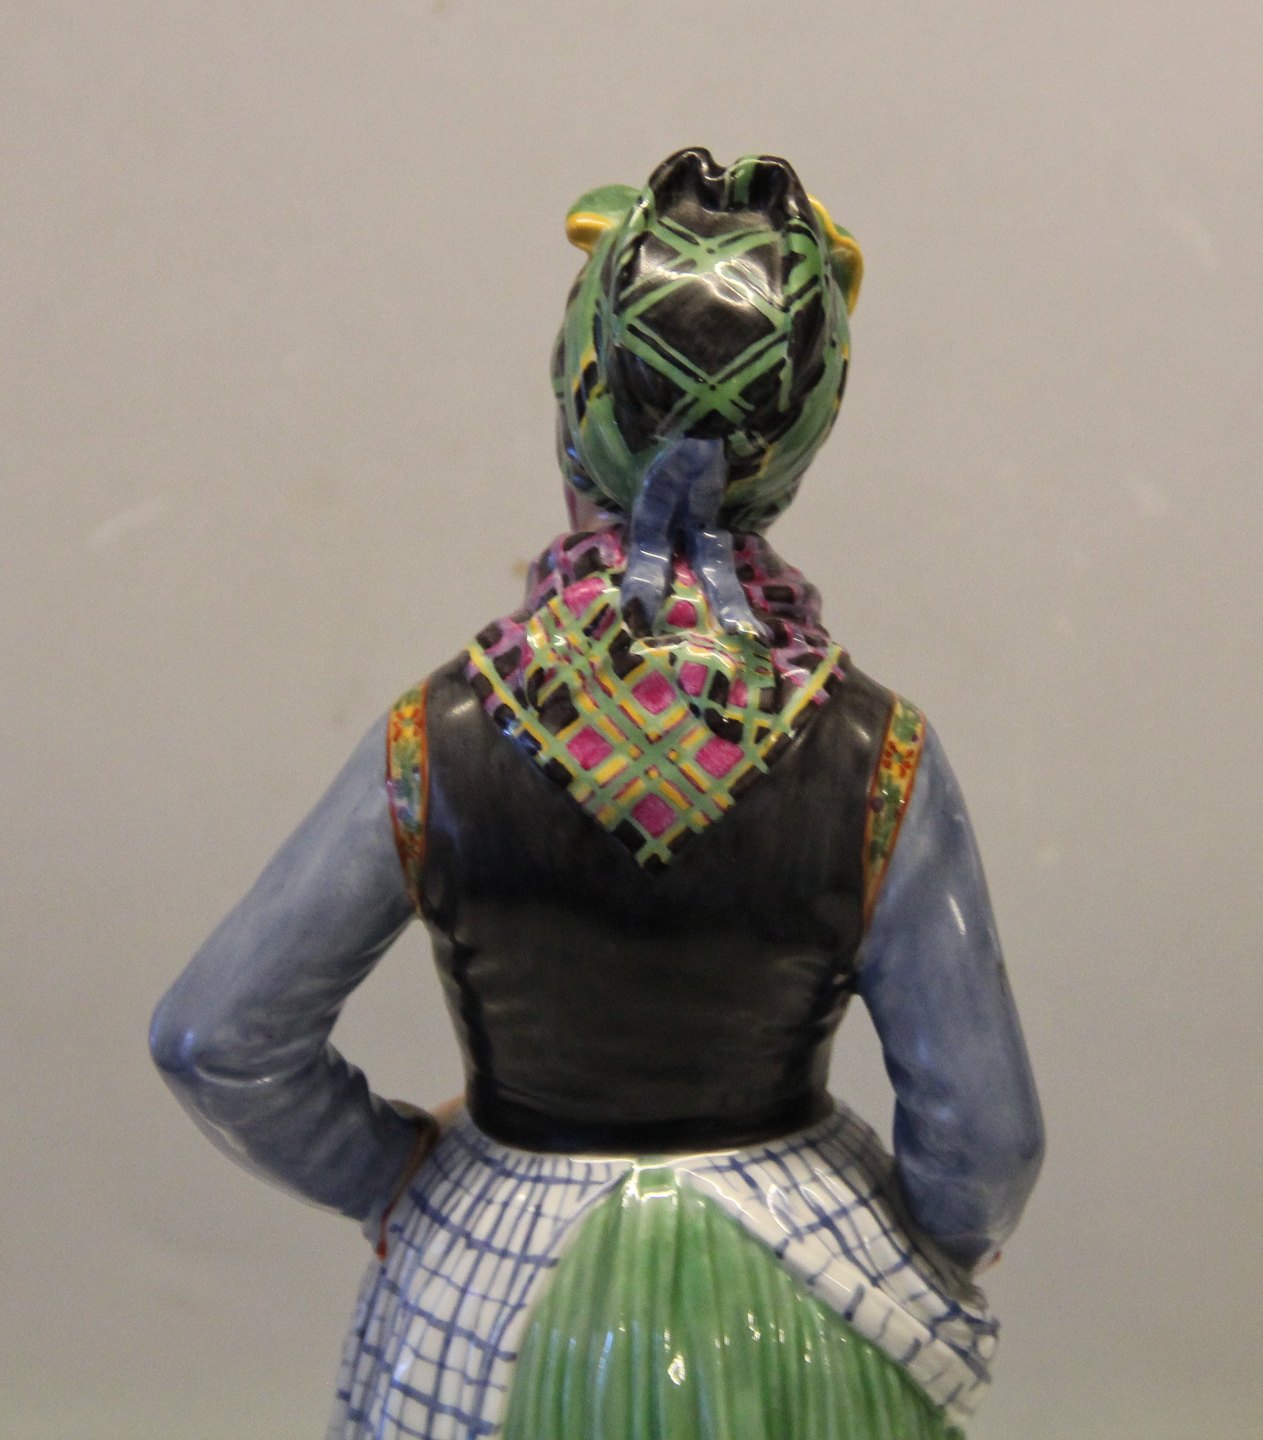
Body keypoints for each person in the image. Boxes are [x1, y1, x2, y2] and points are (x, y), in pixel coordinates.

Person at [151, 148, 1043, 1440]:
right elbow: (987, 1141)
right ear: (796, 443)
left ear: (579, 402)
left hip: (501, 1281)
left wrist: (391, 1174)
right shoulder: (878, 751)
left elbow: (216, 1038)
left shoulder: (443, 735)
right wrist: (920, 1245)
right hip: (793, 1290)